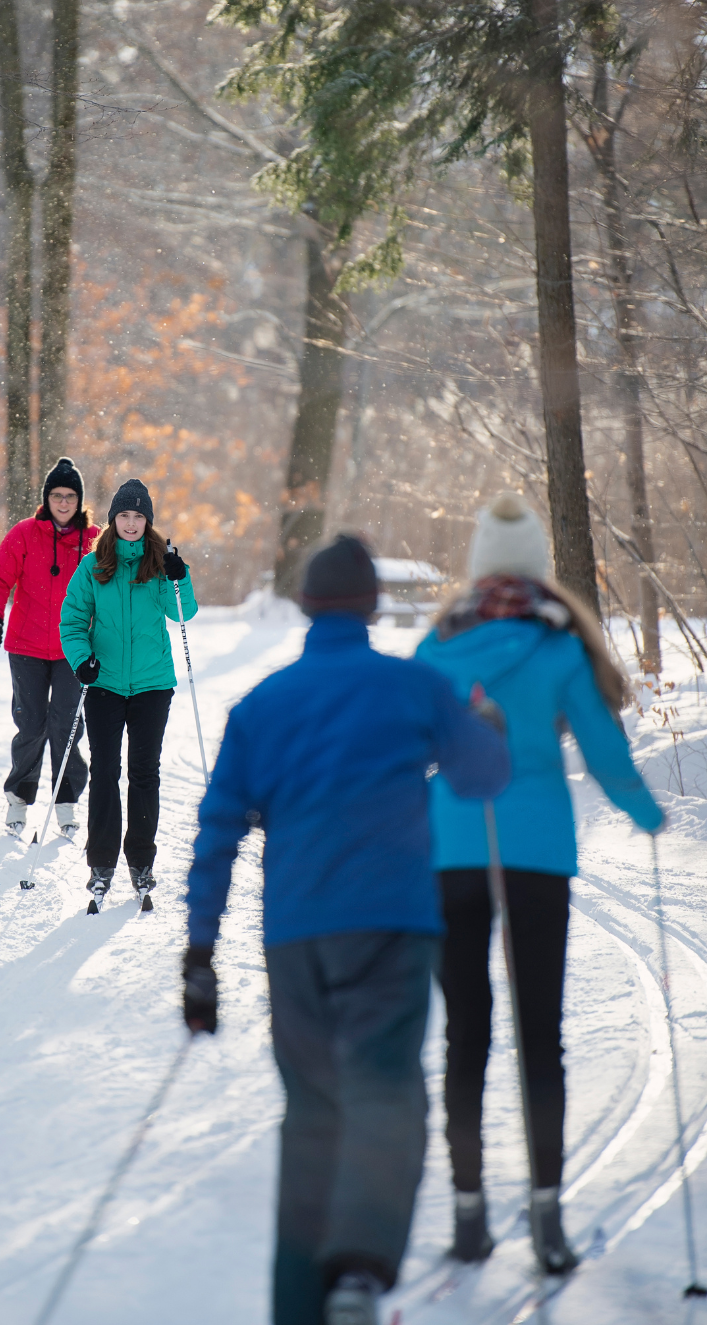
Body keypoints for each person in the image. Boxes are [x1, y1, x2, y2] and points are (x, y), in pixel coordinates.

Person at [182, 535, 511, 1325]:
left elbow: (217, 833)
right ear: (370, 606)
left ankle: (300, 1306)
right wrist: (484, 722)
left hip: (296, 937)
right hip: (392, 924)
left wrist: (199, 954)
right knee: (384, 1088)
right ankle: (359, 1272)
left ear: (303, 607)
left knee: (313, 1114)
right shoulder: (414, 688)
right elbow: (484, 776)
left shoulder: (260, 708)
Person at [413, 492, 664, 1274]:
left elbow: (405, 744)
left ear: (480, 563)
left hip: (452, 848)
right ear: (536, 571)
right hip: (537, 853)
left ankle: (467, 1212)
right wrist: (647, 815)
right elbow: (603, 749)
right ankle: (548, 1215)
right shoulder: (558, 648)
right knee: (539, 1034)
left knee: (466, 1035)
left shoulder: (438, 646)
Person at [59, 478, 196, 907]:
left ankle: (141, 860)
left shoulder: (160, 562)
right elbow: (73, 621)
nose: (132, 523)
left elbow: (182, 612)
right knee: (104, 772)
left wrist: (181, 576)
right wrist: (82, 661)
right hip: (103, 683)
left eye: (139, 517)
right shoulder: (93, 564)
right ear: (113, 519)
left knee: (144, 772)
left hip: (153, 684)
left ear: (148, 521)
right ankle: (101, 863)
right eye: (124, 515)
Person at [0, 458, 99, 838]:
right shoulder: (24, 533)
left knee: (67, 727)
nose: (63, 503)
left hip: (73, 650)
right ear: (46, 498)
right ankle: (19, 797)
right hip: (26, 646)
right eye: (56, 495)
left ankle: (65, 802)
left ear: (79, 501)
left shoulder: (95, 540)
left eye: (70, 496)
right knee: (30, 724)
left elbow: (117, 584)